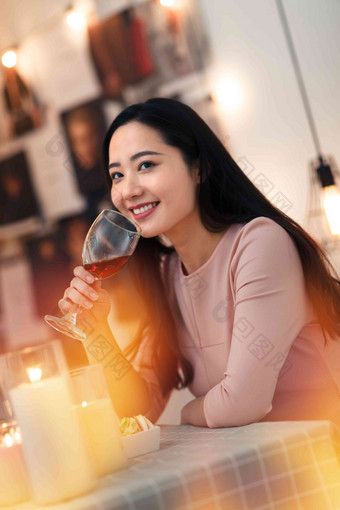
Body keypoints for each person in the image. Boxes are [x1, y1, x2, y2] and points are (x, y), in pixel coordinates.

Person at [58, 98, 340, 428]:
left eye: (146, 165)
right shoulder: (167, 274)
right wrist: (97, 330)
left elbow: (241, 403)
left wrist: (186, 414)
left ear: (198, 168)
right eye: (117, 175)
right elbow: (136, 408)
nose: (128, 190)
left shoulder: (260, 243)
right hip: (258, 468)